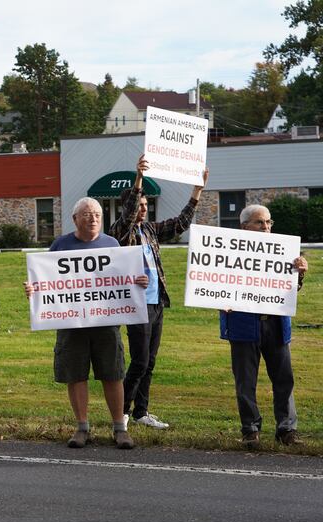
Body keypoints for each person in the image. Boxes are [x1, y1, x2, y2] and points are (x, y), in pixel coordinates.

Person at [25, 197, 148, 449]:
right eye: (87, 214)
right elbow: (47, 281)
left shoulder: (112, 244)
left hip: (106, 323)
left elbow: (125, 278)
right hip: (71, 324)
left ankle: (120, 428)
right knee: (75, 374)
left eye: (97, 215)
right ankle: (82, 428)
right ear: (75, 219)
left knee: (113, 373)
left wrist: (138, 282)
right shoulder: (61, 245)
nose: (92, 219)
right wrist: (34, 289)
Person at [108, 156, 208, 430]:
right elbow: (127, 214)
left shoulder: (150, 230)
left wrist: (196, 193)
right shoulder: (121, 231)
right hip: (136, 304)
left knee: (150, 361)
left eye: (145, 205)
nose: (142, 209)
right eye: (138, 205)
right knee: (139, 360)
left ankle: (142, 411)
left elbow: (179, 224)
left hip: (156, 302)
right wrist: (138, 179)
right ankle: (123, 413)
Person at [220, 204, 308, 449]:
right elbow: (214, 284)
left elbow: (289, 290)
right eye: (260, 223)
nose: (266, 227)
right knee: (245, 381)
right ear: (244, 226)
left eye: (269, 222)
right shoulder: (227, 252)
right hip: (243, 325)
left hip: (276, 325)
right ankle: (250, 429)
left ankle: (286, 428)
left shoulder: (283, 251)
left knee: (284, 379)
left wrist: (299, 274)